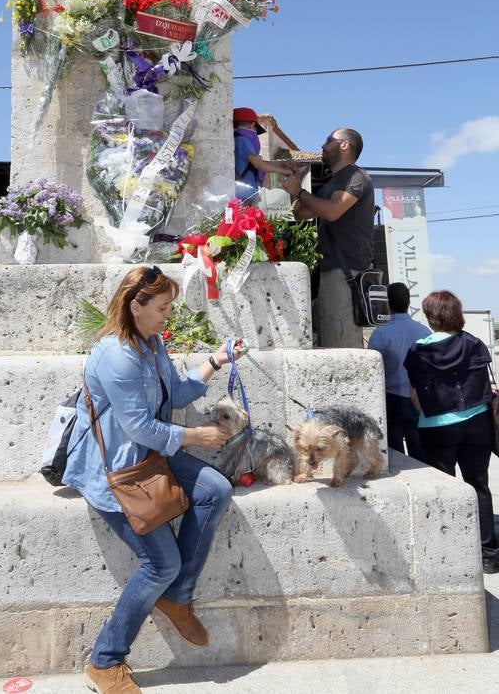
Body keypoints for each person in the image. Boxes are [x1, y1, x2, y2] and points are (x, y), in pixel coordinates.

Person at [63, 265, 244, 693]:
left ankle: (176, 597)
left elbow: (174, 394)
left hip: (151, 458)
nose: (168, 316)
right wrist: (196, 436)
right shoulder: (116, 355)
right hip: (118, 472)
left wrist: (215, 361)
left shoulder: (152, 343)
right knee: (161, 562)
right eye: (163, 308)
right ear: (135, 305)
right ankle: (105, 661)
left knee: (215, 490)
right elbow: (138, 427)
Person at [404, 290, 499, 573]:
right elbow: (483, 382)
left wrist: (429, 413)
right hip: (477, 423)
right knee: (479, 485)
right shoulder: (474, 343)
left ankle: (451, 552)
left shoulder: (418, 351)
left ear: (432, 318)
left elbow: (414, 394)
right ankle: (489, 555)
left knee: (444, 488)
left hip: (437, 427)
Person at [282, 128, 374, 348]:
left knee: (343, 349)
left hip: (346, 275)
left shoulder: (356, 177)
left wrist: (299, 192)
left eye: (328, 140)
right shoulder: (333, 183)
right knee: (331, 343)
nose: (323, 145)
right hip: (331, 275)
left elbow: (332, 211)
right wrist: (299, 183)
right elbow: (301, 213)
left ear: (345, 145)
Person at [368, 282, 429, 461]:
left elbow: (373, 370)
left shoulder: (380, 333)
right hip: (418, 398)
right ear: (409, 302)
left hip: (391, 397)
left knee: (395, 454)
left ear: (388, 304)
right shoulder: (424, 331)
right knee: (419, 452)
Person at [233, 107, 294, 200]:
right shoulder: (242, 140)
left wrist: (283, 164)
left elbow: (259, 162)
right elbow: (258, 164)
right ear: (253, 125)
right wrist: (284, 171)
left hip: (241, 192)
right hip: (244, 194)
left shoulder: (235, 140)